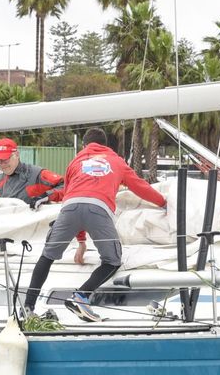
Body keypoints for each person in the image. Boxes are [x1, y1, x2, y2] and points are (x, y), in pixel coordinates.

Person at [21, 127, 166, 320]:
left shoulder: (75, 162)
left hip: (69, 208)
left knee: (47, 257)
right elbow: (140, 186)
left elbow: (73, 194)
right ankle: (80, 297)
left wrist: (81, 241)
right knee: (112, 261)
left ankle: (28, 308)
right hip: (98, 209)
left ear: (84, 146)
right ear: (105, 146)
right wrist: (163, 202)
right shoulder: (117, 161)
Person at [0, 137, 63, 206]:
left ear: (17, 155)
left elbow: (67, 185)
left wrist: (46, 196)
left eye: (5, 160)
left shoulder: (36, 175)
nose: (2, 165)